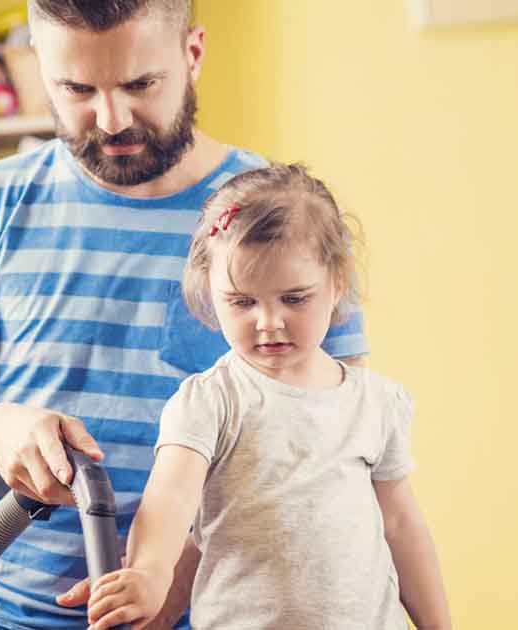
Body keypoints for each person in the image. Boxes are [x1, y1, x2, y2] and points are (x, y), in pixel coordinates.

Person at [0, 2, 369, 629]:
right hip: (5, 614)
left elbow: (333, 440)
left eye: (140, 84)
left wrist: (172, 579)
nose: (111, 120)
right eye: (77, 89)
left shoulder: (285, 218)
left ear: (192, 55)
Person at [80, 163, 451, 630]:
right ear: (211, 293)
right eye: (242, 302)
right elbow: (170, 498)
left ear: (338, 282)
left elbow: (400, 524)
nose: (269, 322)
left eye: (294, 299)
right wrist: (149, 572)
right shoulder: (211, 401)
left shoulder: (376, 403)